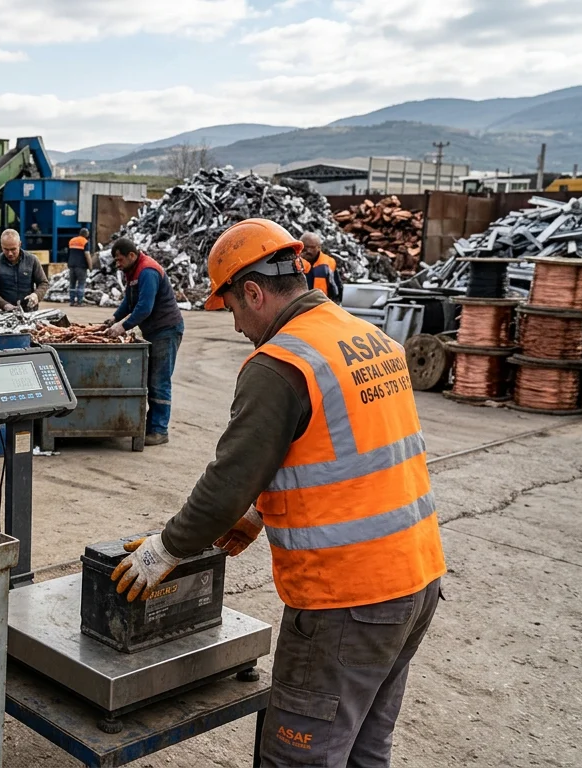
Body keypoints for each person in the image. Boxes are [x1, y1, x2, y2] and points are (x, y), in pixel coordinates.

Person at [111, 219, 444, 767]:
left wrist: (165, 549)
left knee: (300, 758)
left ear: (254, 292)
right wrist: (260, 513)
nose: (238, 326)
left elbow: (226, 481)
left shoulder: (280, 362)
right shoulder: (366, 337)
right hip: (415, 581)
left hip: (347, 600)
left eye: (234, 310)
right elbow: (337, 450)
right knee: (364, 750)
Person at [104, 237, 184, 445]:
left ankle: (159, 430)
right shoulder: (134, 272)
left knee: (159, 381)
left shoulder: (147, 271)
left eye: (120, 260)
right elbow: (130, 302)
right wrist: (114, 318)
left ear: (132, 255)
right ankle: (150, 426)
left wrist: (122, 327)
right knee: (150, 380)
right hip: (155, 332)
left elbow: (144, 307)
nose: (118, 265)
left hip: (166, 331)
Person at [0, 229, 47, 311]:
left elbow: (43, 283)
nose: (10, 253)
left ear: (20, 244)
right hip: (6, 313)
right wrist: (4, 305)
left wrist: (36, 295)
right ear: (1, 246)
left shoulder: (32, 260)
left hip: (30, 311)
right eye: (6, 249)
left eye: (13, 249)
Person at [301, 232, 342, 304]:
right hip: (300, 306)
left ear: (319, 247)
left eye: (312, 247)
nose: (309, 251)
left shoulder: (328, 263)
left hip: (321, 306)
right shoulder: (295, 262)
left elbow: (336, 287)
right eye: (306, 247)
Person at [66, 228, 90, 306]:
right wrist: (90, 265)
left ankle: (72, 301)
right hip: (81, 266)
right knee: (81, 284)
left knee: (72, 284)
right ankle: (79, 302)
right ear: (86, 234)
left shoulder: (72, 240)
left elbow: (68, 253)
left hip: (71, 265)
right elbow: (87, 255)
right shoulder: (85, 242)